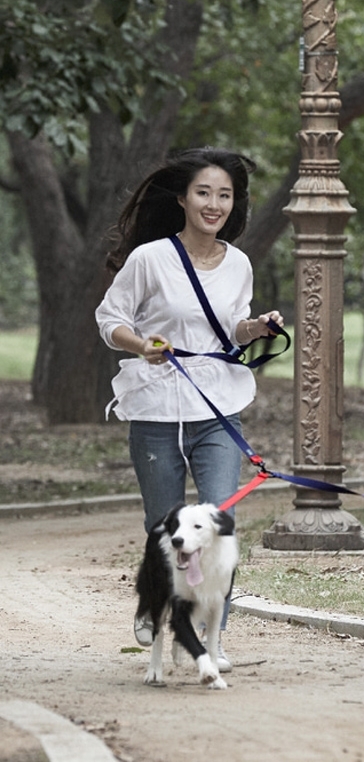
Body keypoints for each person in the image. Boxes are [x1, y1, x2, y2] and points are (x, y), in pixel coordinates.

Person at [95, 147, 284, 672]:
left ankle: (209, 639)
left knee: (217, 523)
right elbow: (109, 318)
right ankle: (155, 603)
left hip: (218, 407)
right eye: (204, 192)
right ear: (182, 198)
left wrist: (257, 327)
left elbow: (232, 328)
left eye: (224, 195)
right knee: (164, 526)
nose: (214, 204)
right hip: (156, 409)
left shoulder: (239, 263)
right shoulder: (150, 258)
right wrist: (141, 346)